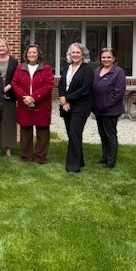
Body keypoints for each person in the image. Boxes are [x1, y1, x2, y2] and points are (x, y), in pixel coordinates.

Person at [12, 44, 55, 164]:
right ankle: (26, 156)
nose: (31, 54)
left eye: (34, 52)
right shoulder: (20, 68)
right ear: (26, 54)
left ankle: (40, 156)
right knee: (25, 130)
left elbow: (48, 85)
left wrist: (34, 98)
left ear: (38, 54)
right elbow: (15, 84)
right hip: (24, 103)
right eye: (29, 52)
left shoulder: (46, 68)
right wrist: (25, 98)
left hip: (41, 104)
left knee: (42, 131)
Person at [58, 42, 95, 173]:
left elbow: (85, 89)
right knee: (72, 134)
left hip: (81, 106)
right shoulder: (66, 68)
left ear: (83, 54)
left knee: (74, 133)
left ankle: (73, 166)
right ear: (69, 54)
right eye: (73, 52)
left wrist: (67, 99)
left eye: (78, 52)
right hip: (66, 106)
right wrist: (63, 100)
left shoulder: (87, 69)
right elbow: (61, 85)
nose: (75, 55)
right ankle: (80, 160)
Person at [92, 47, 126, 169]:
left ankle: (111, 161)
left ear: (114, 58)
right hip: (98, 110)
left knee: (110, 135)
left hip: (110, 110)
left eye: (109, 57)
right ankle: (105, 157)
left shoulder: (118, 72)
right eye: (103, 57)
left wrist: (105, 104)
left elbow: (118, 92)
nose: (106, 59)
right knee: (102, 134)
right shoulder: (96, 71)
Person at [0, 38, 18, 157]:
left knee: (9, 121)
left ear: (7, 48)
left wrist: (6, 88)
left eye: (3, 46)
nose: (1, 48)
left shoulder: (14, 62)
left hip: (9, 94)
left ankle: (8, 147)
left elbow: (16, 78)